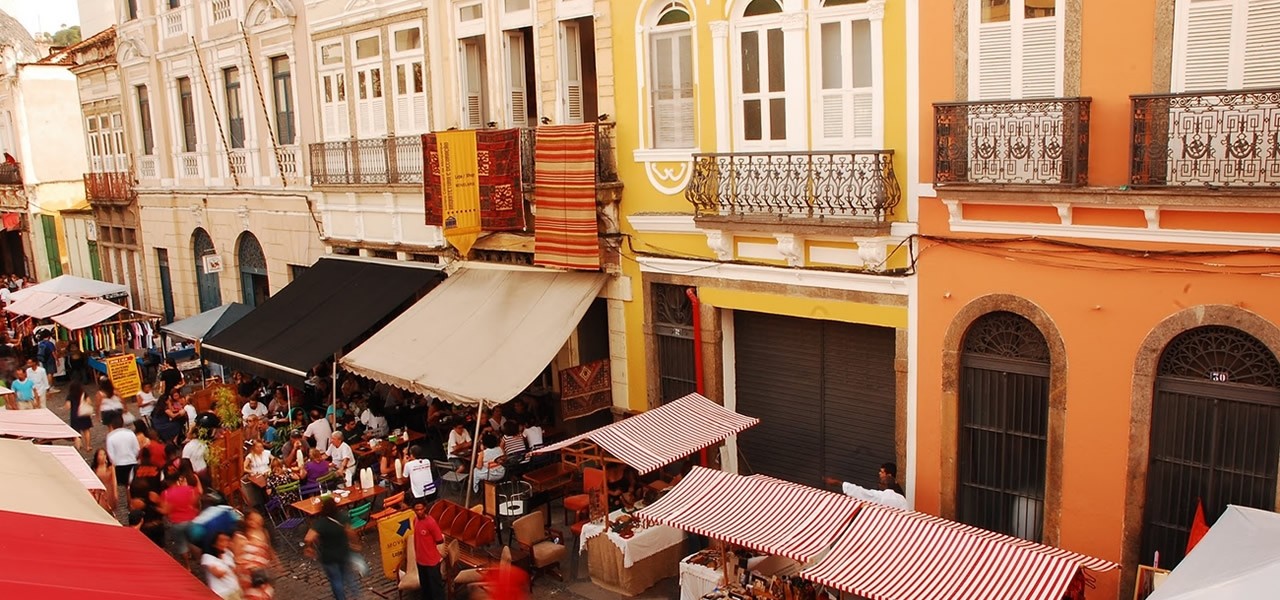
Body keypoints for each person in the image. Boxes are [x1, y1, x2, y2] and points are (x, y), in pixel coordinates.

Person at [304, 498, 359, 600]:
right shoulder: (343, 517)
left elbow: (308, 537)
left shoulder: (321, 523)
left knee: (336, 580)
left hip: (328, 557)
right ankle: (357, 595)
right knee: (348, 575)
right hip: (343, 553)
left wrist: (310, 546)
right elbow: (350, 532)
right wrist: (354, 543)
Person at [823, 462, 909, 510]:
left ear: (889, 476)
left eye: (882, 472)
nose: (879, 473)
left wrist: (839, 483)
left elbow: (862, 492)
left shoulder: (881, 496)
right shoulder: (902, 499)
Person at [161, 469, 203, 568]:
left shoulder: (166, 493)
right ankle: (201, 561)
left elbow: (165, 511)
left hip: (177, 523)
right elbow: (195, 502)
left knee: (181, 545)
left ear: (167, 481)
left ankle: (188, 566)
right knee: (194, 543)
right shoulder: (189, 489)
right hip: (191, 519)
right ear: (178, 479)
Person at [233, 510, 276, 594]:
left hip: (261, 574)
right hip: (248, 576)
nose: (255, 523)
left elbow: (268, 550)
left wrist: (274, 561)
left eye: (258, 522)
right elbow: (237, 559)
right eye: (252, 520)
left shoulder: (263, 533)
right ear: (247, 521)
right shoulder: (240, 538)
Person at [411, 498, 446, 600]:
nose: (419, 512)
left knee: (436, 589)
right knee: (425, 589)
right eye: (417, 510)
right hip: (420, 561)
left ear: (425, 508)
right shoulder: (415, 521)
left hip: (431, 562)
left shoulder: (431, 523)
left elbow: (439, 539)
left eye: (421, 509)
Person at [203, 532, 242, 600]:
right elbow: (218, 574)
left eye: (227, 540)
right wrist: (229, 567)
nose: (226, 543)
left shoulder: (228, 553)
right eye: (222, 541)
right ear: (214, 544)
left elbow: (236, 571)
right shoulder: (207, 557)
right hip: (221, 594)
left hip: (234, 589)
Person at [104, 412, 139, 486]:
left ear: (112, 425)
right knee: (130, 485)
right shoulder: (130, 433)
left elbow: (110, 454)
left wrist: (114, 462)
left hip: (119, 464)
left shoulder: (110, 436)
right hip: (132, 461)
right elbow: (136, 449)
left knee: (124, 484)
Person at [243, 440, 272, 508]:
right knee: (261, 490)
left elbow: (274, 460)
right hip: (257, 475)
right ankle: (264, 506)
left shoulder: (266, 453)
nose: (260, 448)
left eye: (261, 447)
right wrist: (251, 472)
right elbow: (243, 468)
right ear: (254, 448)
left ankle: (271, 503)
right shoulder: (250, 456)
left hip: (267, 472)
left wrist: (271, 467)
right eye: (258, 447)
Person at [66, 379, 93, 449]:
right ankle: (88, 446)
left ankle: (78, 446)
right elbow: (89, 402)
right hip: (84, 414)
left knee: (76, 432)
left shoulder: (70, 395)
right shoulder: (84, 394)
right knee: (86, 430)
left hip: (75, 415)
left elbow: (68, 406)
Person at [90, 448, 119, 513]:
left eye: (104, 454)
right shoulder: (95, 468)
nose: (102, 457)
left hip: (109, 491)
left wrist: (115, 493)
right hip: (99, 493)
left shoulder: (110, 467)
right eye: (100, 455)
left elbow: (114, 481)